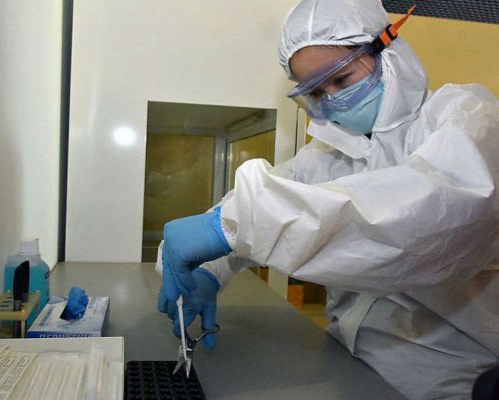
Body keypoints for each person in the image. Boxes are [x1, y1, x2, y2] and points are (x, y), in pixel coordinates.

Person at [156, 0, 499, 398]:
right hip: (346, 359)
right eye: (316, 91)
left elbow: (425, 218)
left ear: (387, 50)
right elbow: (269, 199)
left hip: (452, 375)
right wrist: (209, 270)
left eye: (341, 78)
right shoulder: (332, 153)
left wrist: (234, 226)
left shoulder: (467, 115)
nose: (332, 99)